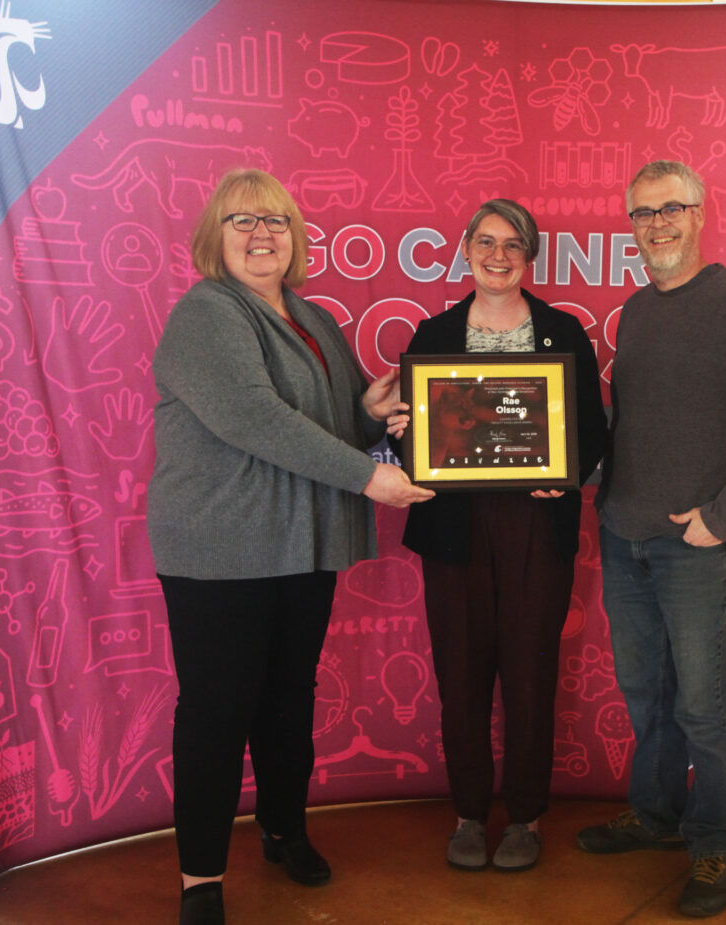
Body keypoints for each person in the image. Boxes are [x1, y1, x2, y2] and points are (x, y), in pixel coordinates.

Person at [147, 168, 433, 925]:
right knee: (216, 710)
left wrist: (370, 416)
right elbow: (256, 420)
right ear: (216, 236)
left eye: (275, 221)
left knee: (286, 700)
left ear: (297, 238)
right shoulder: (207, 313)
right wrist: (372, 483)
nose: (261, 234)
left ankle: (283, 830)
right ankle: (201, 878)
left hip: (301, 545)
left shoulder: (310, 316)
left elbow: (330, 428)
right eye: (242, 221)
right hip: (221, 549)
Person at [576, 162, 726, 917]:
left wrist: (725, 514)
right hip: (624, 534)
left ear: (699, 213)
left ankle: (712, 843)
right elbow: (632, 424)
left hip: (700, 546)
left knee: (702, 705)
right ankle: (655, 814)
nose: (656, 224)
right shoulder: (635, 313)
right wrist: (579, 475)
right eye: (641, 213)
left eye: (670, 208)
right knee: (647, 694)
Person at [387, 199, 607, 873]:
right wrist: (403, 436)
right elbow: (408, 430)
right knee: (461, 673)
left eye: (514, 244)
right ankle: (467, 812)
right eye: (487, 241)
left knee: (531, 672)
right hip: (453, 526)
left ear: (530, 255)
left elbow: (593, 431)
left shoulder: (563, 333)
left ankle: (527, 816)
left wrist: (565, 474)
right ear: (466, 248)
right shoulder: (433, 333)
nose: (499, 254)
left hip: (537, 526)